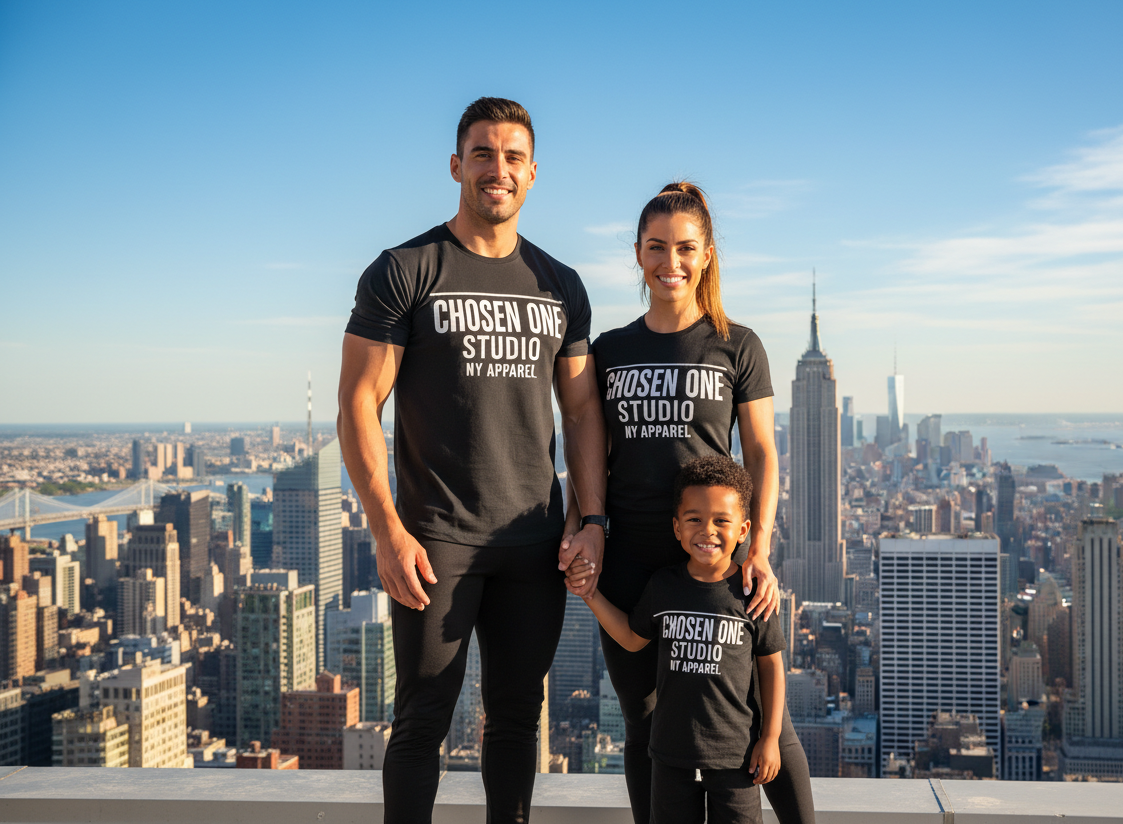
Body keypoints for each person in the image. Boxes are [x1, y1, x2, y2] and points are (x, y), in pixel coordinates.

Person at [337, 97, 607, 824]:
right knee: (422, 716)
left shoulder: (561, 286)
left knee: (518, 715)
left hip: (533, 541)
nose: (498, 168)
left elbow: (581, 413)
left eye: (513, 156)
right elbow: (359, 405)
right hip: (435, 539)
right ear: (457, 166)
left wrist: (593, 521)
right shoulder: (406, 270)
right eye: (483, 154)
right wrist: (387, 530)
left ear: (533, 173)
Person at [560, 182, 815, 824]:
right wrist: (583, 528)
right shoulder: (611, 350)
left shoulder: (738, 344)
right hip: (630, 558)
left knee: (759, 713)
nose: (669, 261)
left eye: (684, 248)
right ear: (638, 255)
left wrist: (756, 551)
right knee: (645, 721)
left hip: (712, 557)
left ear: (705, 257)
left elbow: (761, 454)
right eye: (655, 247)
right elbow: (587, 447)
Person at [572, 456, 785, 824]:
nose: (708, 531)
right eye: (694, 520)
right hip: (670, 755)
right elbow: (631, 638)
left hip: (736, 757)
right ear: (676, 527)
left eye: (722, 520)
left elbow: (771, 667)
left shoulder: (753, 593)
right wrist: (590, 594)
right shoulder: (663, 586)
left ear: (744, 529)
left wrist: (770, 738)